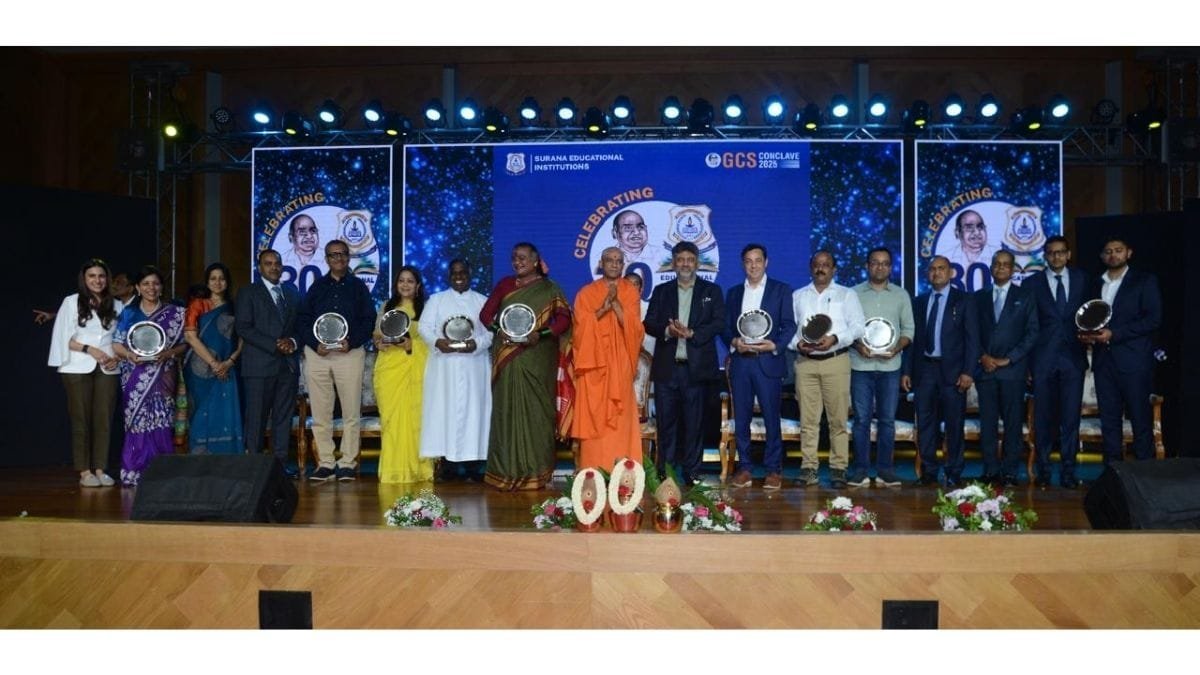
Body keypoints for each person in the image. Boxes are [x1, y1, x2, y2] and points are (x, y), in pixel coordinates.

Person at [479, 242, 571, 490]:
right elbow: (485, 315)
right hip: (507, 357)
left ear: (535, 260)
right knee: (506, 412)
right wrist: (501, 330)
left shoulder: (550, 288)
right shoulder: (505, 285)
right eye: (514, 258)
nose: (517, 262)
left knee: (538, 413)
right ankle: (504, 472)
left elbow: (564, 320)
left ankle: (536, 473)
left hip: (538, 358)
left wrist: (540, 335)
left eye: (522, 258)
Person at [644, 241, 726, 485]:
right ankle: (665, 472)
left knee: (695, 424)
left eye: (690, 260)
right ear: (674, 263)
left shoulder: (711, 291)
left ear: (697, 263)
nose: (685, 264)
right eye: (680, 260)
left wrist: (693, 334)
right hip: (667, 369)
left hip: (696, 370)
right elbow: (649, 323)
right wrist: (668, 331)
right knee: (666, 424)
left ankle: (692, 472)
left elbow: (719, 322)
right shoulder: (662, 291)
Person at [297, 239, 376, 482]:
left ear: (348, 257)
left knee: (351, 412)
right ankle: (326, 463)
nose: (338, 258)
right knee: (321, 412)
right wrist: (314, 344)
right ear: (327, 259)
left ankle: (348, 463)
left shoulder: (358, 287)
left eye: (342, 254)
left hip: (348, 354)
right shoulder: (317, 287)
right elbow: (303, 319)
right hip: (318, 355)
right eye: (333, 255)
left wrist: (351, 342)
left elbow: (369, 319)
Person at [1079, 237, 1162, 465]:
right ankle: (1113, 473)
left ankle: (1145, 473)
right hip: (1103, 362)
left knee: (1140, 419)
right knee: (1109, 421)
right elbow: (1090, 319)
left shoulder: (1144, 281)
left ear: (1129, 253)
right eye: (1108, 251)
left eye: (1118, 250)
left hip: (1134, 362)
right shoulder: (1095, 284)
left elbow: (1153, 319)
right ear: (1102, 256)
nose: (1113, 255)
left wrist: (1114, 334)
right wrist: (1087, 335)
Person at [789, 251, 864, 489]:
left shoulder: (847, 294)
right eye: (817, 264)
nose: (821, 268)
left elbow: (858, 327)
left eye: (826, 265)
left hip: (836, 361)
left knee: (838, 420)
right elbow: (788, 330)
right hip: (806, 363)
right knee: (808, 421)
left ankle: (838, 469)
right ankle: (809, 468)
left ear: (834, 269)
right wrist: (797, 344)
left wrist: (835, 338)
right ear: (810, 267)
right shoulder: (798, 296)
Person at [902, 255, 979, 488]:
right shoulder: (919, 302)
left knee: (954, 424)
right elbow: (912, 340)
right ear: (928, 273)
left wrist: (968, 372)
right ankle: (929, 472)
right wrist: (906, 371)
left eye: (941, 268)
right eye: (933, 269)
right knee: (926, 424)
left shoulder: (964, 300)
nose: (937, 272)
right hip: (924, 370)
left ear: (950, 272)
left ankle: (954, 472)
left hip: (954, 372)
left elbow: (972, 339)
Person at [724, 244, 796, 490]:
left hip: (768, 363)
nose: (753, 265)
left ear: (766, 262)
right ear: (743, 264)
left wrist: (774, 345)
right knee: (742, 418)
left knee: (771, 418)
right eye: (748, 261)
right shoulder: (734, 293)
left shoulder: (781, 290)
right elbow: (726, 327)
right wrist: (734, 342)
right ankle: (745, 468)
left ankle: (773, 470)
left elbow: (789, 325)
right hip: (742, 364)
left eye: (757, 260)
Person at [47, 258, 123, 487]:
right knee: (81, 418)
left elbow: (121, 338)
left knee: (104, 419)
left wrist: (117, 358)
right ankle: (85, 471)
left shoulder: (117, 305)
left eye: (101, 276)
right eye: (92, 276)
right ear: (84, 279)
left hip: (108, 367)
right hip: (77, 365)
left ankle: (100, 468)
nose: (97, 280)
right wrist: (90, 349)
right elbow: (63, 338)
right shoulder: (71, 302)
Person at [111, 265, 187, 486]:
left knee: (162, 420)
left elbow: (184, 345)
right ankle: (135, 469)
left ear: (162, 287)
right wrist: (129, 355)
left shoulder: (176, 314)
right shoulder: (129, 313)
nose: (151, 288)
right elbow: (116, 344)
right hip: (135, 375)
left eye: (155, 283)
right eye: (145, 284)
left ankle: (162, 471)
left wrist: (169, 353)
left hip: (163, 375)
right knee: (136, 421)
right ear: (137, 287)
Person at [572, 247, 646, 472]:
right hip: (594, 364)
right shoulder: (586, 293)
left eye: (618, 260)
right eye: (610, 260)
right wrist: (603, 309)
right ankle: (593, 470)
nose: (614, 264)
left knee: (620, 417)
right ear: (601, 264)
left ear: (623, 265)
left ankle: (623, 472)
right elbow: (579, 330)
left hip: (620, 363)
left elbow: (635, 329)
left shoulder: (630, 291)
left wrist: (615, 304)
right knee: (595, 417)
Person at [418, 259, 493, 481]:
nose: (459, 277)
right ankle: (448, 466)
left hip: (474, 366)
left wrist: (476, 344)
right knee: (444, 412)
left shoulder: (482, 301)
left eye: (463, 272)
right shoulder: (436, 300)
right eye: (454, 273)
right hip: (444, 366)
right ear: (448, 275)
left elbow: (491, 332)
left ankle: (474, 466)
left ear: (470, 274)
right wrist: (437, 342)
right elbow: (424, 327)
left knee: (474, 413)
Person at [848, 247, 915, 488]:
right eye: (875, 263)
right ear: (867, 266)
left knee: (887, 421)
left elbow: (909, 330)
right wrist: (858, 346)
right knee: (861, 421)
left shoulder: (901, 295)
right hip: (860, 366)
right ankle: (860, 471)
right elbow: (847, 329)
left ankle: (886, 470)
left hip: (890, 367)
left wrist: (897, 348)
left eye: (885, 263)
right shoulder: (853, 294)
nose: (880, 267)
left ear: (890, 267)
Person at [1026, 236, 1089, 488]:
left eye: (1061, 252)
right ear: (1045, 256)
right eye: (1051, 253)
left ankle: (1068, 472)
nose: (1056, 256)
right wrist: (1029, 364)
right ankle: (1043, 471)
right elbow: (1028, 326)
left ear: (1068, 254)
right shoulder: (1032, 283)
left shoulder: (1083, 279)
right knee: (1043, 419)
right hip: (1043, 360)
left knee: (1070, 419)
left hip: (1073, 359)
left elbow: (1092, 313)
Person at [973, 250, 1038, 486]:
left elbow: (1032, 333)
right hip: (986, 370)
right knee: (988, 423)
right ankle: (990, 470)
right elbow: (971, 332)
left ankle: (1010, 472)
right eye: (997, 264)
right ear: (991, 268)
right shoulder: (978, 297)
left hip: (1013, 371)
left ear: (1012, 269)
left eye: (1005, 264)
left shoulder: (1026, 296)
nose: (1000, 268)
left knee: (1012, 424)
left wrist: (1009, 359)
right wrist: (982, 356)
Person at [235, 249, 301, 477]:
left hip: (288, 366)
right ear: (259, 267)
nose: (273, 267)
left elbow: (300, 326)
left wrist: (293, 342)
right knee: (256, 418)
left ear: (282, 266)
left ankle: (279, 466)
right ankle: (254, 466)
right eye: (268, 263)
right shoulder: (248, 292)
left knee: (283, 418)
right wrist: (275, 345)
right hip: (259, 366)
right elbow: (243, 327)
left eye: (277, 263)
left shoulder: (291, 292)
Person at [372, 266, 433, 484]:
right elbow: (377, 336)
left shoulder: (427, 309)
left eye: (410, 281)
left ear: (418, 286)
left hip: (415, 370)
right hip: (389, 371)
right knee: (392, 423)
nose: (405, 285)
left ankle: (419, 471)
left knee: (416, 421)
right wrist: (379, 343)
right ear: (396, 284)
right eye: (401, 281)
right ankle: (394, 471)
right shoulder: (386, 307)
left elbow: (433, 343)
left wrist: (412, 345)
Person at [181, 263, 244, 455]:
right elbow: (190, 337)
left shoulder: (236, 307)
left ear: (227, 282)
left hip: (229, 367)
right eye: (213, 279)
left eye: (222, 279)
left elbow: (243, 337)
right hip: (200, 369)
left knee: (225, 413)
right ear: (207, 282)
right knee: (201, 412)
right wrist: (215, 364)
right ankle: (201, 458)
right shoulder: (198, 305)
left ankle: (227, 460)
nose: (218, 282)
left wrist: (229, 362)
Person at [943, 209, 999, 288]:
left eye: (980, 227)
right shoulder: (945, 259)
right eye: (969, 228)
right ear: (957, 232)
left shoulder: (1000, 256)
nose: (977, 232)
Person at [599, 209, 663, 276]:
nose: (636, 232)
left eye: (640, 227)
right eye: (628, 228)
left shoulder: (662, 255)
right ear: (615, 233)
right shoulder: (603, 257)